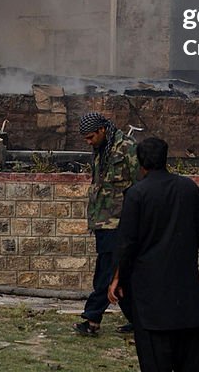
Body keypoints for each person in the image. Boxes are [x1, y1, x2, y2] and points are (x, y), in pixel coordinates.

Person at [108, 136, 199, 372]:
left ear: (140, 162)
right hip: (186, 297)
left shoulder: (136, 194)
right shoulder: (189, 188)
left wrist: (119, 278)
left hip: (150, 301)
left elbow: (127, 243)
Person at [74, 111, 133, 336]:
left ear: (102, 130)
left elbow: (140, 183)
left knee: (107, 271)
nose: (88, 142)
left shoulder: (127, 147)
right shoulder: (101, 150)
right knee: (118, 273)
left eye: (90, 137)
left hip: (119, 222)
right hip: (102, 222)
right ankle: (139, 319)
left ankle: (92, 318)